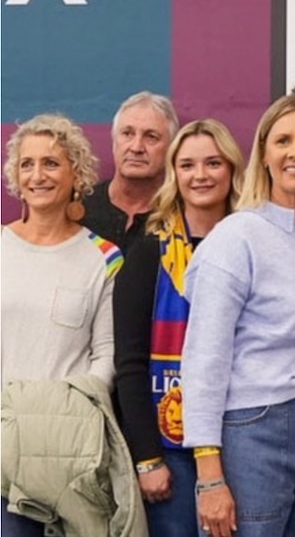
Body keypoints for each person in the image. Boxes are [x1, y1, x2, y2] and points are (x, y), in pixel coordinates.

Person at [181, 95, 295, 537]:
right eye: (283, 141)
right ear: (265, 154)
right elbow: (204, 359)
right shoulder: (236, 237)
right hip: (256, 432)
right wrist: (210, 474)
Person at [0, 114, 133, 535]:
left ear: (77, 173)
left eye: (52, 163)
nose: (38, 175)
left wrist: (67, 417)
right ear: (16, 177)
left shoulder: (105, 257)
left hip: (72, 457)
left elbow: (108, 353)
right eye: (27, 164)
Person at [113, 119, 246, 536]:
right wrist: (147, 458)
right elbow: (130, 363)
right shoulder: (149, 250)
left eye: (213, 163)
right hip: (171, 448)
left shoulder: (253, 244)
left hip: (245, 437)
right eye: (188, 165)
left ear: (232, 170)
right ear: (174, 173)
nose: (200, 175)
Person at [82, 91, 179, 252]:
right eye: (127, 134)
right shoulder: (79, 208)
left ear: (172, 148)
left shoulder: (183, 216)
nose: (136, 147)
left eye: (151, 137)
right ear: (114, 142)